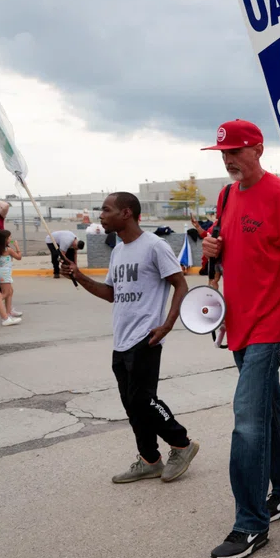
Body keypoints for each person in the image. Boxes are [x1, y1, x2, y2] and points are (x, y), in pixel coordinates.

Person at [200, 119, 280, 558]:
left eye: (235, 151)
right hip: (238, 322)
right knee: (269, 408)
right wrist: (213, 250)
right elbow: (228, 247)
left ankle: (250, 525)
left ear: (258, 149)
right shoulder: (228, 195)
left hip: (273, 323)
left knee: (247, 420)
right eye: (222, 154)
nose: (228, 159)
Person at [60, 193, 198, 483]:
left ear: (126, 213)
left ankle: (182, 444)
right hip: (121, 340)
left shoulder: (155, 246)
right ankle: (150, 459)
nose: (100, 215)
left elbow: (180, 285)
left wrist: (167, 325)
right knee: (131, 405)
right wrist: (79, 275)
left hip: (146, 337)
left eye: (106, 210)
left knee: (143, 401)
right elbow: (111, 293)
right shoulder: (118, 251)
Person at [0, 235, 20, 326]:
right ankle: (5, 316)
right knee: (2, 295)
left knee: (9, 292)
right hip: (3, 273)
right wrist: (17, 246)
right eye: (9, 237)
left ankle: (8, 312)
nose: (10, 239)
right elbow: (19, 257)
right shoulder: (6, 250)